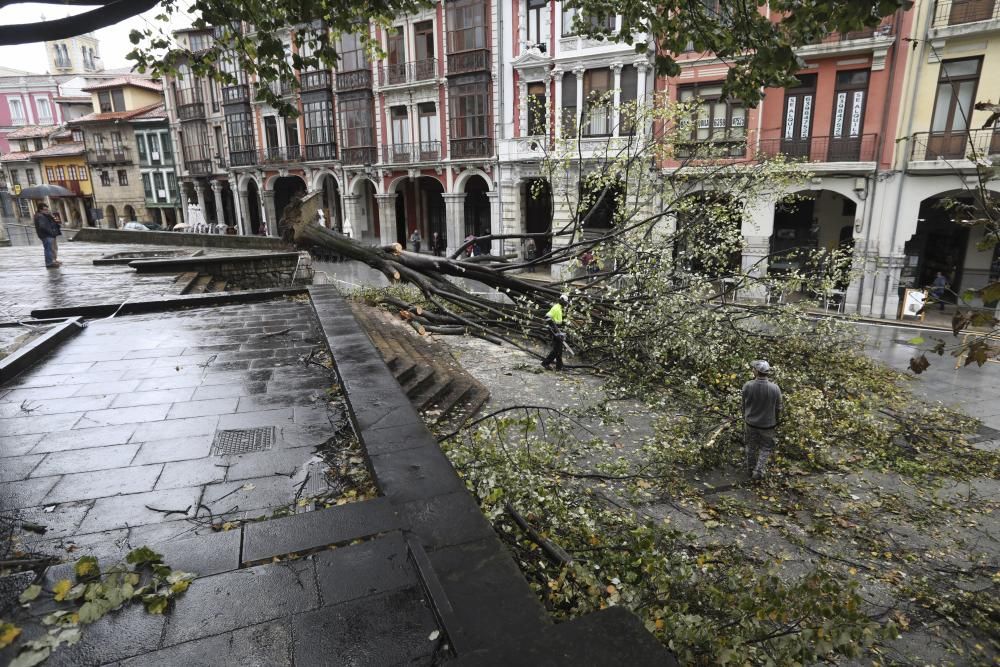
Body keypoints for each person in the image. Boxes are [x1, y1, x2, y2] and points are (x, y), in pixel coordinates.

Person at [741, 360, 782, 480]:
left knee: (751, 446)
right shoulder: (775, 388)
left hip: (751, 423)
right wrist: (776, 420)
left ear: (756, 371)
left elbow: (743, 405)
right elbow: (778, 408)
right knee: (765, 448)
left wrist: (745, 416)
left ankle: (750, 469)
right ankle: (758, 471)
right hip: (768, 425)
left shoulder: (747, 386)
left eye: (753, 368)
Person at [541, 294, 569, 371]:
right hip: (554, 331)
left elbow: (557, 321)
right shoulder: (556, 307)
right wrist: (556, 329)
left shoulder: (559, 308)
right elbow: (547, 317)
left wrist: (563, 323)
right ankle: (545, 363)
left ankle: (559, 367)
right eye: (566, 302)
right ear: (562, 301)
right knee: (557, 350)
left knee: (559, 350)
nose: (566, 304)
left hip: (557, 330)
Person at [33, 203, 61, 268]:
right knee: (48, 249)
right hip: (46, 235)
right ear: (40, 210)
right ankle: (49, 263)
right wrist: (51, 232)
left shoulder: (44, 215)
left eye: (47, 209)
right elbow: (43, 226)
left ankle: (52, 261)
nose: (47, 210)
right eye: (45, 209)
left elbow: (53, 222)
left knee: (52, 248)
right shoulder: (40, 216)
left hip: (49, 235)